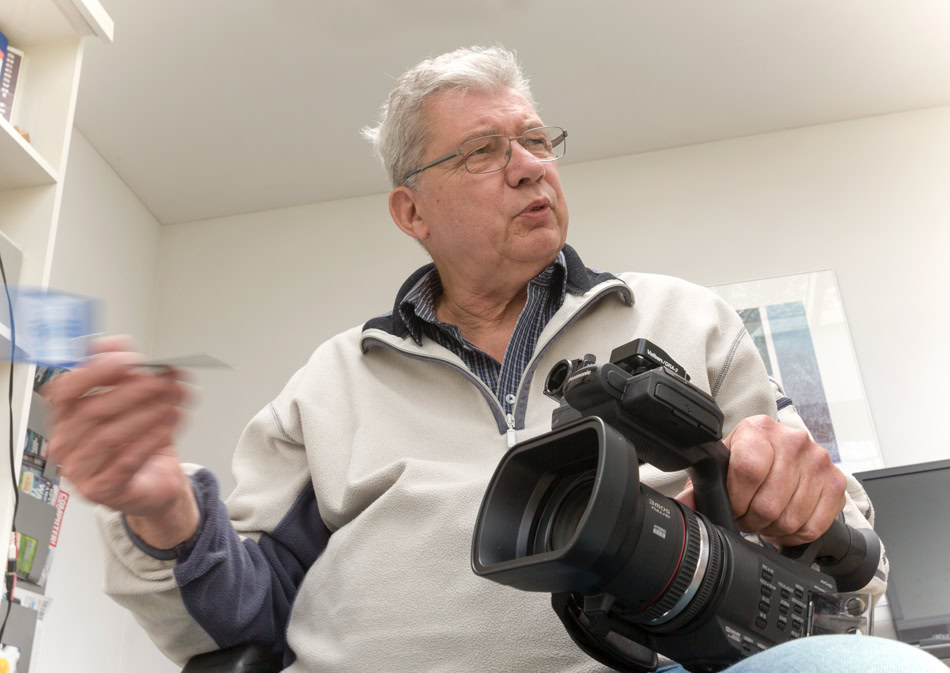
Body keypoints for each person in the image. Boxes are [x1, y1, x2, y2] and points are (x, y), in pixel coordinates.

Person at [47, 46, 939, 673]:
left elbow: (852, 567)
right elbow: (246, 612)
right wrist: (164, 514)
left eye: (537, 140)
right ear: (411, 211)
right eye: (482, 151)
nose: (528, 167)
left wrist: (804, 508)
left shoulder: (686, 318)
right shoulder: (330, 384)